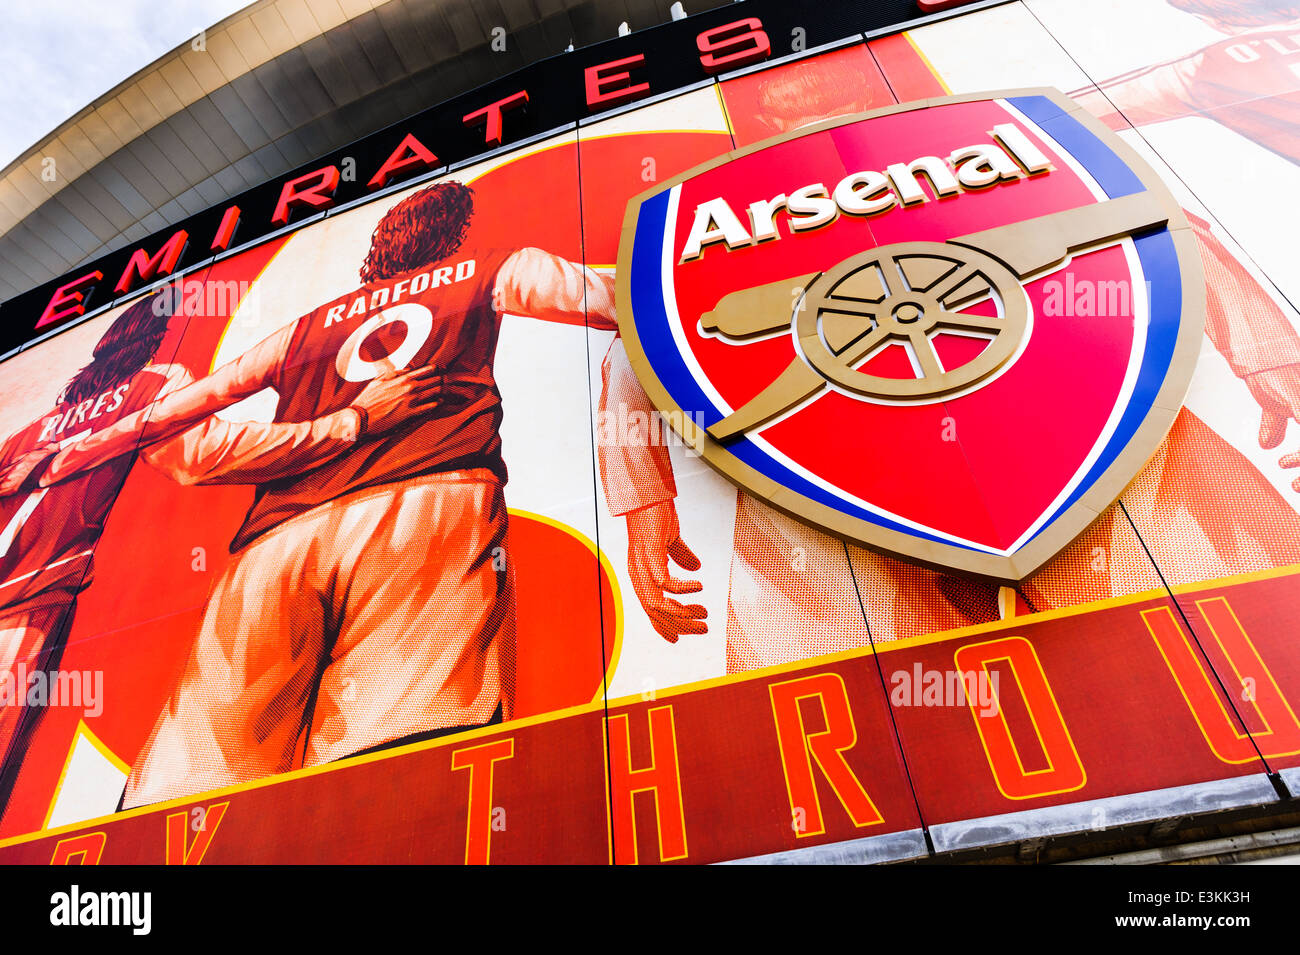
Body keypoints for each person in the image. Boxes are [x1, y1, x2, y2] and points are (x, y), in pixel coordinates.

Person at [598, 41, 1300, 673]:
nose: (817, 145)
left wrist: (1270, 354)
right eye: (786, 132)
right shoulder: (706, 225)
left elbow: (1147, 224)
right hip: (835, 494)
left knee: (1250, 633)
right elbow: (649, 334)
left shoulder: (991, 152)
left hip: (1088, 441)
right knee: (865, 728)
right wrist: (642, 500)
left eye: (839, 115)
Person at [38, 179, 616, 807]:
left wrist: (66, 454)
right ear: (455, 235)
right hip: (426, 504)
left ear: (379, 248)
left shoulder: (306, 328)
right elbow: (619, 297)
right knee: (404, 771)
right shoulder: (493, 270)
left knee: (194, 784)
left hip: (274, 545)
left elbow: (177, 413)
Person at [0, 292, 437, 819]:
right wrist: (352, 421)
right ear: (158, 337)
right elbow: (205, 455)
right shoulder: (151, 388)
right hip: (25, 608)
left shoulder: (25, 435)